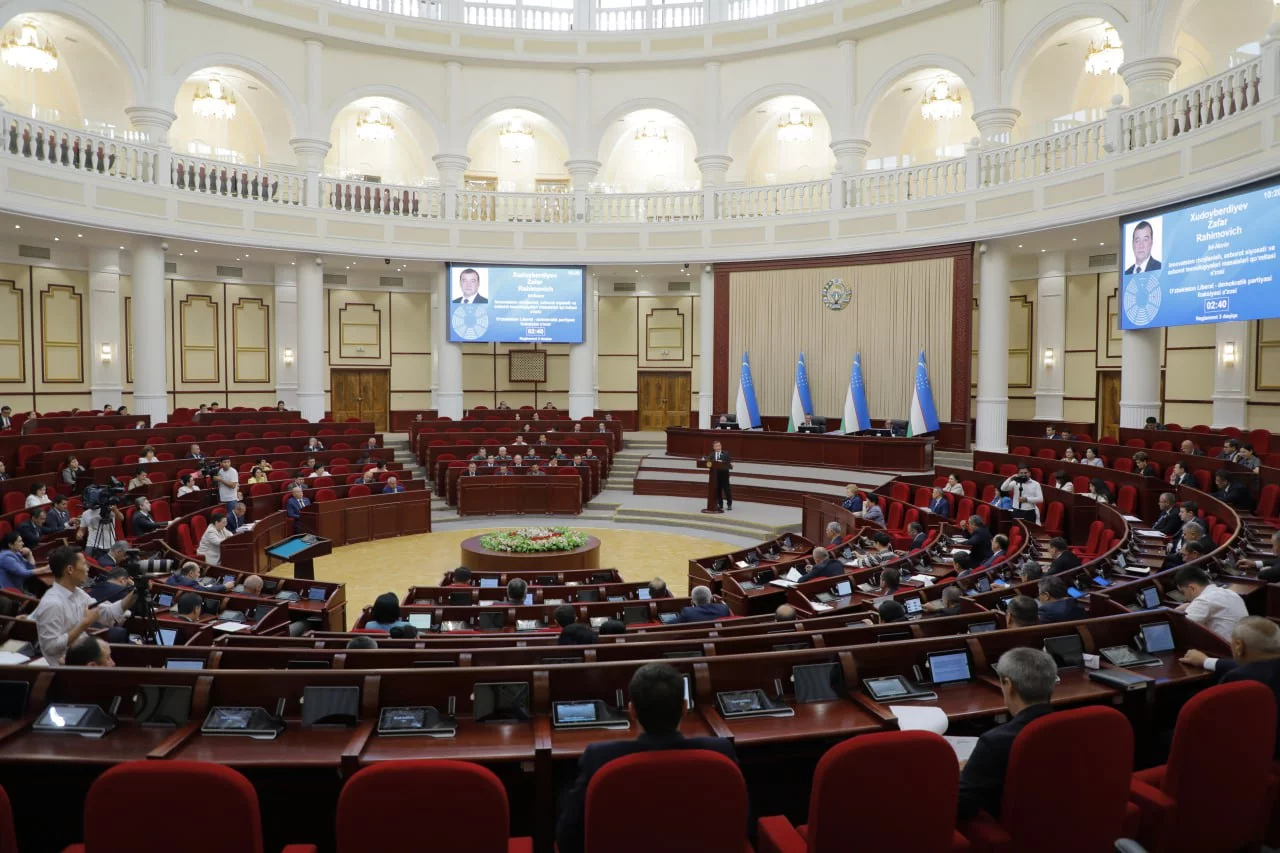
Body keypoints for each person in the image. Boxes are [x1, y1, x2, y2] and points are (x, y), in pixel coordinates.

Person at [556, 663, 738, 853]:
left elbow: (567, 840)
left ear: (632, 710)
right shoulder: (721, 752)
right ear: (684, 707)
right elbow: (741, 824)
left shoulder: (599, 758)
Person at [956, 648, 1056, 820]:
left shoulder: (995, 742)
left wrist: (956, 774)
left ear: (1008, 686)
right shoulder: (1078, 727)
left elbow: (961, 807)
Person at [1180, 617, 1280, 754]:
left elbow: (1211, 723)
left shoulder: (1239, 678)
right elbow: (1257, 665)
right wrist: (1205, 661)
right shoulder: (1262, 668)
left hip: (1249, 754)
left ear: (1239, 646)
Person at [33, 547, 135, 666]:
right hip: (66, 670)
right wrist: (83, 625)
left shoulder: (78, 593)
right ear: (70, 569)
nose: (88, 568)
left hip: (84, 658)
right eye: (84, 564)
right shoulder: (52, 604)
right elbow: (50, 648)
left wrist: (137, 592)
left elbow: (108, 613)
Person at [1174, 565, 1246, 642]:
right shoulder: (1230, 592)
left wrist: (1175, 611)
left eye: (1183, 592)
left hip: (1229, 651)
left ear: (1192, 588)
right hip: (1245, 646)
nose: (1185, 597)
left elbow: (1178, 629)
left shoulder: (1203, 600)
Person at [166, 561, 233, 593]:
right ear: (191, 573)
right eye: (198, 572)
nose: (199, 575)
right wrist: (225, 586)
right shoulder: (191, 584)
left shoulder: (171, 578)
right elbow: (207, 590)